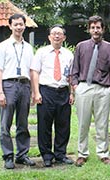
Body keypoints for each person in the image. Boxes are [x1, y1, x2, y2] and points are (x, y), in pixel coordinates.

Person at [71, 15, 110, 167]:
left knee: (102, 123)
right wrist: (76, 86)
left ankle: (103, 153)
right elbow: (74, 68)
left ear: (103, 29)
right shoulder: (80, 46)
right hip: (83, 87)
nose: (95, 30)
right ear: (89, 29)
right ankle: (82, 153)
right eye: (93, 27)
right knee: (83, 123)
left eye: (98, 27)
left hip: (103, 89)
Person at [31, 24, 74, 167]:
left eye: (59, 34)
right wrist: (36, 92)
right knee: (45, 125)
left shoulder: (69, 54)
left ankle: (61, 154)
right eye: (54, 33)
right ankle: (47, 155)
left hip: (63, 92)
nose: (57, 36)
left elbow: (71, 76)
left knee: (63, 125)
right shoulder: (41, 52)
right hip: (46, 91)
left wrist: (72, 93)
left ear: (64, 37)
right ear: (49, 37)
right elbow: (35, 72)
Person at [0, 13, 35, 169]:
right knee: (5, 123)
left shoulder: (28, 48)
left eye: (21, 24)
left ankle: (22, 154)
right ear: (10, 26)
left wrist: (33, 91)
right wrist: (0, 92)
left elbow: (32, 70)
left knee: (23, 122)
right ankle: (8, 156)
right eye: (16, 24)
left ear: (24, 26)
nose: (19, 27)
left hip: (24, 85)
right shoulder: (3, 46)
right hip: (9, 85)